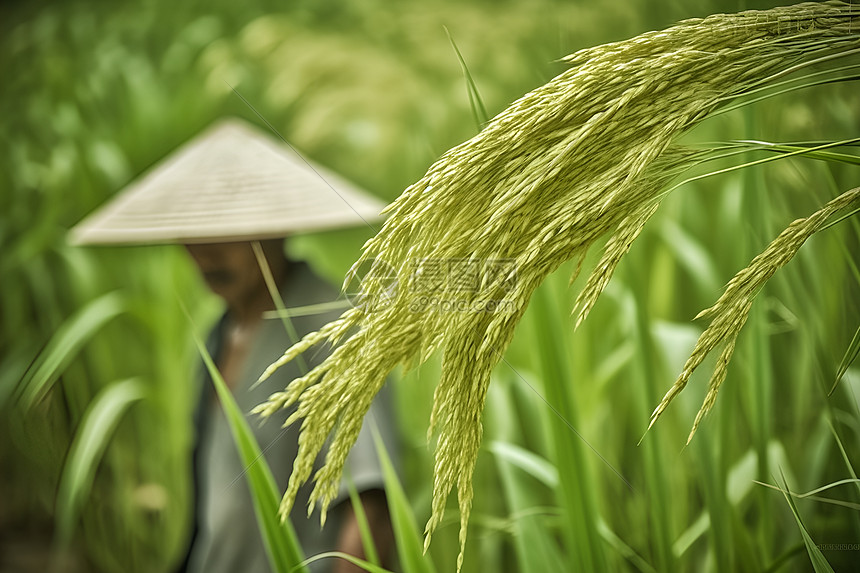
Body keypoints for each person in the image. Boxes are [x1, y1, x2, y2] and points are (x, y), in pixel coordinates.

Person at [70, 118, 396, 572]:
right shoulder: (221, 331)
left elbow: (371, 514)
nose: (205, 253)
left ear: (277, 226)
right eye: (193, 230)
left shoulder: (335, 328)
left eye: (226, 230)